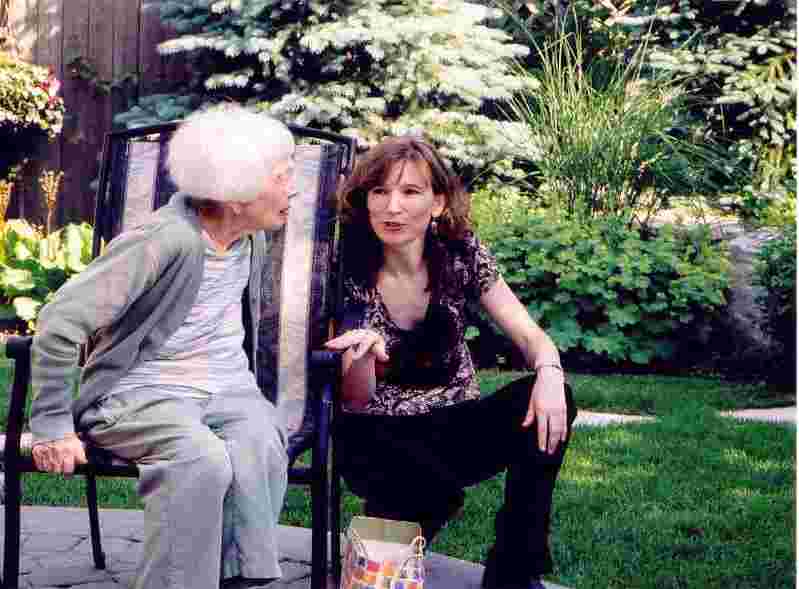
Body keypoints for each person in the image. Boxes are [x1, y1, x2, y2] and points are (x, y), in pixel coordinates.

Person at [29, 105, 296, 589]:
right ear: (236, 194)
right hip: (140, 394)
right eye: (282, 176)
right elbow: (60, 320)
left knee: (261, 441)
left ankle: (235, 578)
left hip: (225, 390)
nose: (292, 188)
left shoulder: (250, 239)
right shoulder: (165, 240)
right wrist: (50, 423)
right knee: (201, 460)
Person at [325, 136, 578, 589]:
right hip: (377, 435)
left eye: (410, 192)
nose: (392, 208)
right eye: (379, 192)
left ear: (438, 203)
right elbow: (355, 399)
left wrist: (550, 373)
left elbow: (527, 333)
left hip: (451, 424)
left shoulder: (461, 253)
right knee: (415, 509)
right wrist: (361, 355)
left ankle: (514, 569)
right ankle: (401, 525)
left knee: (549, 404)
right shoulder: (346, 267)